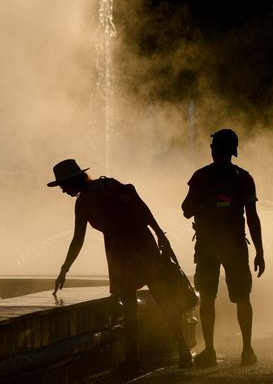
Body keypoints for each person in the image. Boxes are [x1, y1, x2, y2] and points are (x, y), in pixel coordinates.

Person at [49, 159, 193, 372]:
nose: (62, 190)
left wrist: (64, 269)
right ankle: (183, 351)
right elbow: (143, 209)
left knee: (130, 309)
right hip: (144, 244)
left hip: (121, 253)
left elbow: (78, 240)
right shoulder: (110, 183)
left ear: (72, 181)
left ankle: (132, 360)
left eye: (63, 185)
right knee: (164, 300)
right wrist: (160, 234)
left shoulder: (83, 202)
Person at [181, 129, 265, 367]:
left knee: (207, 297)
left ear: (214, 149)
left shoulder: (201, 177)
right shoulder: (244, 178)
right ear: (233, 151)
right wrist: (260, 251)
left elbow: (186, 209)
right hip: (236, 246)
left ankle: (209, 350)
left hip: (207, 246)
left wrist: (202, 205)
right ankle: (247, 350)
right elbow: (253, 218)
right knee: (243, 297)